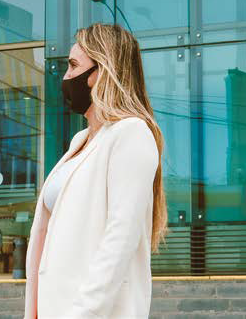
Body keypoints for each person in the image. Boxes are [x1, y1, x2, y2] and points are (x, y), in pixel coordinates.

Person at [25, 23, 167, 319]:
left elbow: (120, 238)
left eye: (73, 65)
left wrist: (83, 313)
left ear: (102, 72)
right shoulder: (81, 141)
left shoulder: (131, 133)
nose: (66, 76)